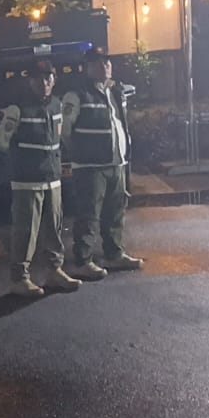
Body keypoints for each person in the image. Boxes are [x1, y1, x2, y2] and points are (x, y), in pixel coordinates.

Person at [0, 60, 81, 297]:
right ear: (30, 80)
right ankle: (20, 278)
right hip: (27, 180)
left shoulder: (57, 105)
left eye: (48, 77)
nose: (44, 82)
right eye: (38, 78)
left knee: (54, 228)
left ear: (54, 79)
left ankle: (54, 271)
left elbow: (62, 137)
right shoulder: (18, 108)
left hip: (53, 178)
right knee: (25, 231)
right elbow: (1, 142)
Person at [62, 46, 144, 280]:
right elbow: (65, 131)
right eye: (98, 63)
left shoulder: (115, 91)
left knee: (115, 212)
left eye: (107, 62)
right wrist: (81, 153)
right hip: (90, 167)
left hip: (116, 163)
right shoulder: (77, 95)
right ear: (87, 67)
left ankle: (114, 254)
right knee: (89, 215)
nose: (105, 66)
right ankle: (83, 260)